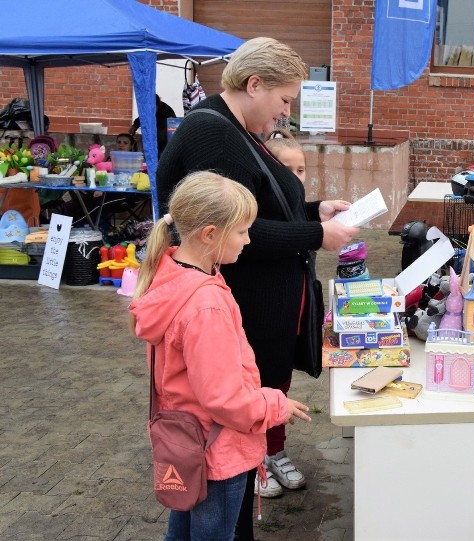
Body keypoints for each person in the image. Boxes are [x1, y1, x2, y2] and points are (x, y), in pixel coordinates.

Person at [154, 37, 359, 541]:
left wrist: (313, 213)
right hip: (241, 313)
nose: (286, 111)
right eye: (284, 100)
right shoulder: (214, 135)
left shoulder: (233, 131)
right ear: (254, 85)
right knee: (229, 455)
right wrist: (316, 235)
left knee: (237, 456)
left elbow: (257, 216)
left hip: (252, 310)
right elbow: (231, 231)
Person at [128, 171, 312, 540]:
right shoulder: (205, 304)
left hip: (187, 441)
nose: (248, 240)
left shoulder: (175, 276)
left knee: (181, 533)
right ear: (210, 234)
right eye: (242, 231)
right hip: (217, 450)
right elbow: (223, 398)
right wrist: (275, 406)